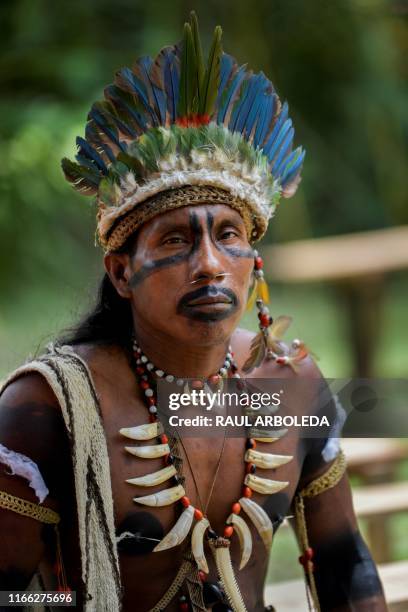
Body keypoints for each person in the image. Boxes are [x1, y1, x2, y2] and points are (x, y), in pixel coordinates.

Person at [0, 13, 386, 612]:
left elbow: (346, 566)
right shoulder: (50, 408)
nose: (210, 264)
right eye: (176, 241)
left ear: (253, 261)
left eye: (229, 235)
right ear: (122, 273)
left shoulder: (288, 389)